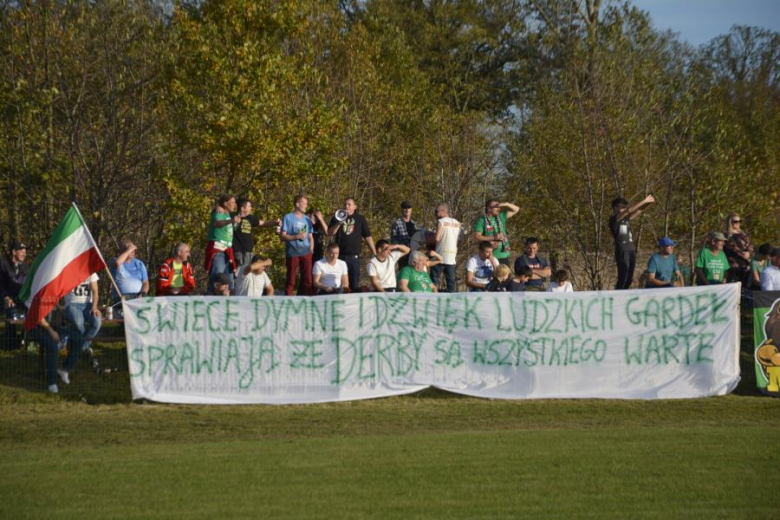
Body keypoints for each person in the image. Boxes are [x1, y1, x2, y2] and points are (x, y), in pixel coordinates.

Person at [30, 299, 83, 394]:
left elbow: (61, 311)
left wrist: (59, 306)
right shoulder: (40, 294)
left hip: (56, 328)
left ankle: (65, 369)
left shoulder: (57, 295)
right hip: (39, 329)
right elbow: (40, 319)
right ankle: (52, 382)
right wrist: (52, 332)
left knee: (79, 338)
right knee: (52, 346)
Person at [328, 197, 376, 293]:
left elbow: (368, 237)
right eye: (345, 204)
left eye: (349, 204)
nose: (346, 206)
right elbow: (330, 233)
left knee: (354, 285)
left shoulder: (360, 219)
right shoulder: (337, 217)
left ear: (355, 206)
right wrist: (339, 223)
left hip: (354, 258)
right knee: (340, 285)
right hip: (339, 257)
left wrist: (374, 252)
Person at [609, 195, 655, 289]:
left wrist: (648, 203)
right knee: (623, 276)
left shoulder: (626, 219)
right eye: (621, 207)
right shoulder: (614, 219)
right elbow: (629, 211)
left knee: (629, 278)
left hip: (631, 250)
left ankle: (625, 295)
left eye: (624, 207)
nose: (624, 209)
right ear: (615, 208)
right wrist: (644, 200)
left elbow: (639, 210)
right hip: (622, 250)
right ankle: (618, 295)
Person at [205, 194, 239, 294]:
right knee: (216, 281)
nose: (234, 205)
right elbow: (216, 223)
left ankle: (230, 306)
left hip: (228, 253)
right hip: (219, 252)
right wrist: (231, 220)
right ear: (225, 203)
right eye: (232, 202)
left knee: (230, 284)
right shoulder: (219, 211)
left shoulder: (228, 214)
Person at [281, 195, 314, 296]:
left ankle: (307, 302)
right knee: (291, 280)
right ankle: (288, 302)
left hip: (306, 253)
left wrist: (311, 250)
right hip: (293, 253)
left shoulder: (307, 219)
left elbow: (310, 237)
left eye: (306, 203)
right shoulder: (288, 217)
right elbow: (282, 237)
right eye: (304, 203)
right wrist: (296, 236)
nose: (306, 205)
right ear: (297, 204)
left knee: (308, 280)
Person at [232, 197, 279, 270]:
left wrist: (275, 222)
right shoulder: (232, 216)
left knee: (248, 271)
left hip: (249, 251)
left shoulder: (251, 218)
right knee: (240, 272)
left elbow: (263, 223)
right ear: (242, 208)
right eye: (249, 206)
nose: (251, 208)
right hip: (238, 251)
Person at [64, 273, 102, 356]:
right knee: (79, 324)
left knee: (97, 322)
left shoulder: (91, 272)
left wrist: (94, 306)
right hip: (72, 303)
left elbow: (95, 291)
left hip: (87, 304)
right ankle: (78, 350)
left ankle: (80, 349)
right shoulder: (68, 270)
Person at [472, 199, 519, 266]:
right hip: (490, 256)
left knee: (505, 275)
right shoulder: (481, 220)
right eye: (496, 206)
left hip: (503, 255)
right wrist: (493, 237)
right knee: (493, 276)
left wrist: (506, 204)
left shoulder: (501, 216)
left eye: (499, 206)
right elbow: (477, 236)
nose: (498, 208)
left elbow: (516, 209)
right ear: (489, 208)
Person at [0, 240, 28, 349]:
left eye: (25, 252)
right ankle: (10, 342)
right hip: (4, 297)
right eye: (22, 252)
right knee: (11, 310)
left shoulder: (25, 266)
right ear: (14, 252)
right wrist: (6, 297)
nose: (24, 254)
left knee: (33, 309)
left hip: (20, 297)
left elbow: (26, 284)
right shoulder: (3, 263)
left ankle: (24, 339)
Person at [431, 203, 460, 292]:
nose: (435, 214)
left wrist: (427, 241)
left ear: (443, 211)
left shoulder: (441, 222)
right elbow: (460, 239)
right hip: (451, 257)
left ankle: (432, 299)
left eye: (436, 211)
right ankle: (452, 302)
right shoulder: (457, 223)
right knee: (451, 282)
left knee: (433, 280)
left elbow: (437, 238)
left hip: (440, 256)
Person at [723, 212, 753, 285]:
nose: (738, 223)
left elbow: (750, 245)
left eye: (740, 221)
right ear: (730, 222)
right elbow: (732, 246)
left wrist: (749, 253)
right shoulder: (727, 235)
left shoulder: (743, 233)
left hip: (745, 264)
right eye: (735, 221)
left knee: (744, 285)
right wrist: (742, 254)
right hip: (733, 264)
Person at [390, 201, 419, 268]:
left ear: (411, 209)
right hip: (403, 254)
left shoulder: (414, 224)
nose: (407, 210)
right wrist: (397, 255)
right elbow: (394, 241)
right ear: (401, 209)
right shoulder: (396, 223)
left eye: (409, 208)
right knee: (403, 273)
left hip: (414, 253)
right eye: (405, 208)